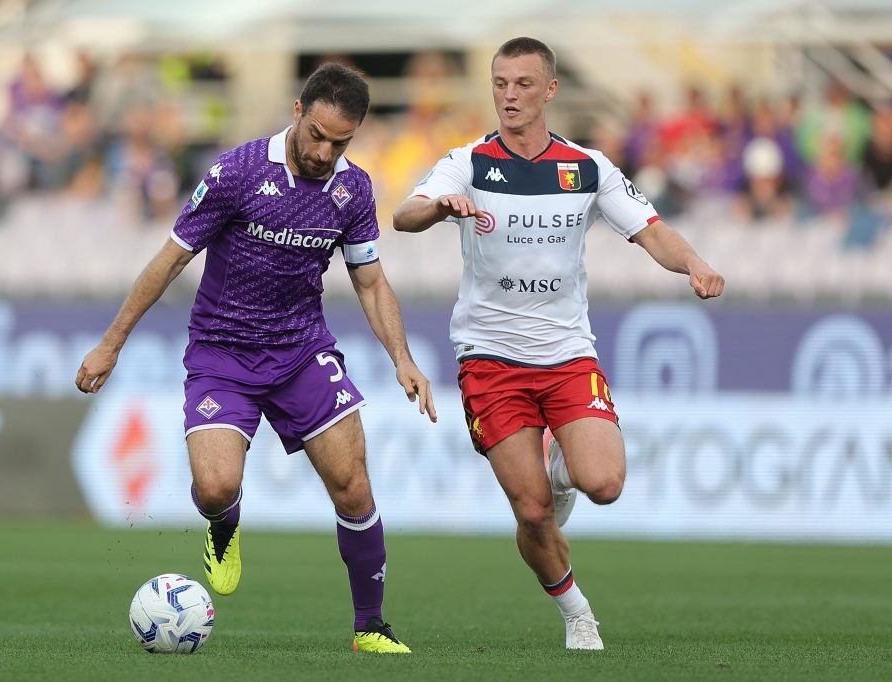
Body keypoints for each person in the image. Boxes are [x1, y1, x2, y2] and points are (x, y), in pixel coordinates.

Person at [77, 63, 436, 654]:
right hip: (223, 353)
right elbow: (169, 261)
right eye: (318, 134)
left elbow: (371, 284)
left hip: (302, 351)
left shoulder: (354, 190)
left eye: (340, 142)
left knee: (353, 487)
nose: (325, 152)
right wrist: (111, 343)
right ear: (298, 111)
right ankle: (224, 527)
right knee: (215, 488)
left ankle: (370, 627)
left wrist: (401, 358)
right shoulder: (236, 172)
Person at [393, 37, 724, 650]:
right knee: (532, 513)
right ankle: (577, 612)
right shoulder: (468, 162)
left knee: (604, 484)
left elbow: (651, 231)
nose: (509, 95)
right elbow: (403, 215)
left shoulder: (587, 167)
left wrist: (694, 264)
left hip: (568, 352)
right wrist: (440, 207)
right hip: (489, 358)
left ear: (549, 90)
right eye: (499, 83)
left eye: (522, 84)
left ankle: (562, 468)